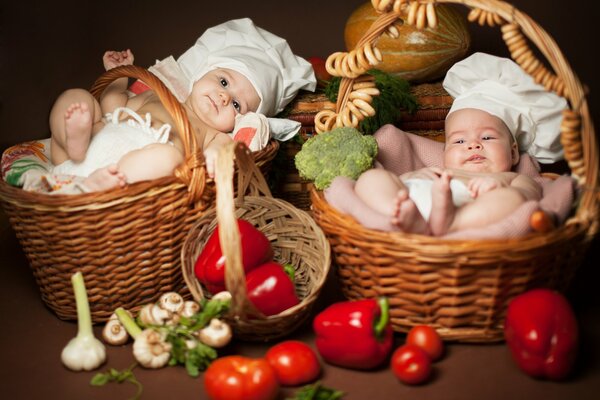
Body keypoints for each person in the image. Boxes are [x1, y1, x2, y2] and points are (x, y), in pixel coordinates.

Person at [48, 18, 316, 192]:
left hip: (124, 179)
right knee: (77, 99)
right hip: (81, 154)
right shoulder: (158, 93)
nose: (224, 97)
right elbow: (111, 107)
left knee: (168, 158)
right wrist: (120, 76)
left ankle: (98, 188)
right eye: (223, 82)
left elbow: (229, 150)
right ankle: (74, 141)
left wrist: (216, 158)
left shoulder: (213, 133)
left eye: (236, 104)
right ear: (200, 75)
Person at [348, 53, 567, 236]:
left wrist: (498, 188)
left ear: (514, 153)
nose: (473, 146)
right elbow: (398, 181)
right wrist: (407, 180)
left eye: (487, 138)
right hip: (413, 201)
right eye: (460, 141)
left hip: (468, 211)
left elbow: (531, 195)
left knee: (514, 199)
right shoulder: (435, 171)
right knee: (372, 178)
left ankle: (453, 224)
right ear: (444, 153)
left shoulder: (515, 178)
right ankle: (393, 213)